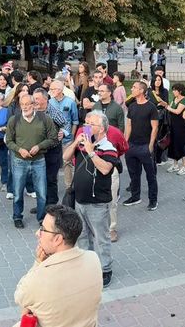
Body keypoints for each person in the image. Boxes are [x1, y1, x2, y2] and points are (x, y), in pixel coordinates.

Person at [61, 111, 120, 287]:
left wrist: (91, 152)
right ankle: (88, 267)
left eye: (90, 124)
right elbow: (65, 157)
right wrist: (76, 143)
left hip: (97, 203)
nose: (86, 126)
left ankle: (106, 269)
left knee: (101, 238)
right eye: (86, 122)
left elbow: (104, 169)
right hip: (79, 199)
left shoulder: (108, 147)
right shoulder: (83, 142)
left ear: (101, 128)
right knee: (83, 236)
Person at [5, 93, 56, 228]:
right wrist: (19, 149)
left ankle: (41, 218)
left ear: (34, 105)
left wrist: (39, 146)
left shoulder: (44, 118)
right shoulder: (14, 120)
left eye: (28, 104)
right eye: (22, 105)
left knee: (42, 192)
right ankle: (17, 216)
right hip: (19, 161)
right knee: (17, 191)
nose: (25, 107)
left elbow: (53, 137)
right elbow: (8, 141)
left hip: (39, 160)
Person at [121, 81, 160, 211]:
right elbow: (129, 125)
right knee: (134, 173)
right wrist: (125, 142)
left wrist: (150, 145)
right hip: (131, 145)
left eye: (134, 87)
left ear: (142, 91)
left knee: (150, 175)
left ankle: (153, 200)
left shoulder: (151, 107)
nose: (131, 89)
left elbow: (155, 128)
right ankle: (135, 196)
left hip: (145, 146)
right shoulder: (132, 106)